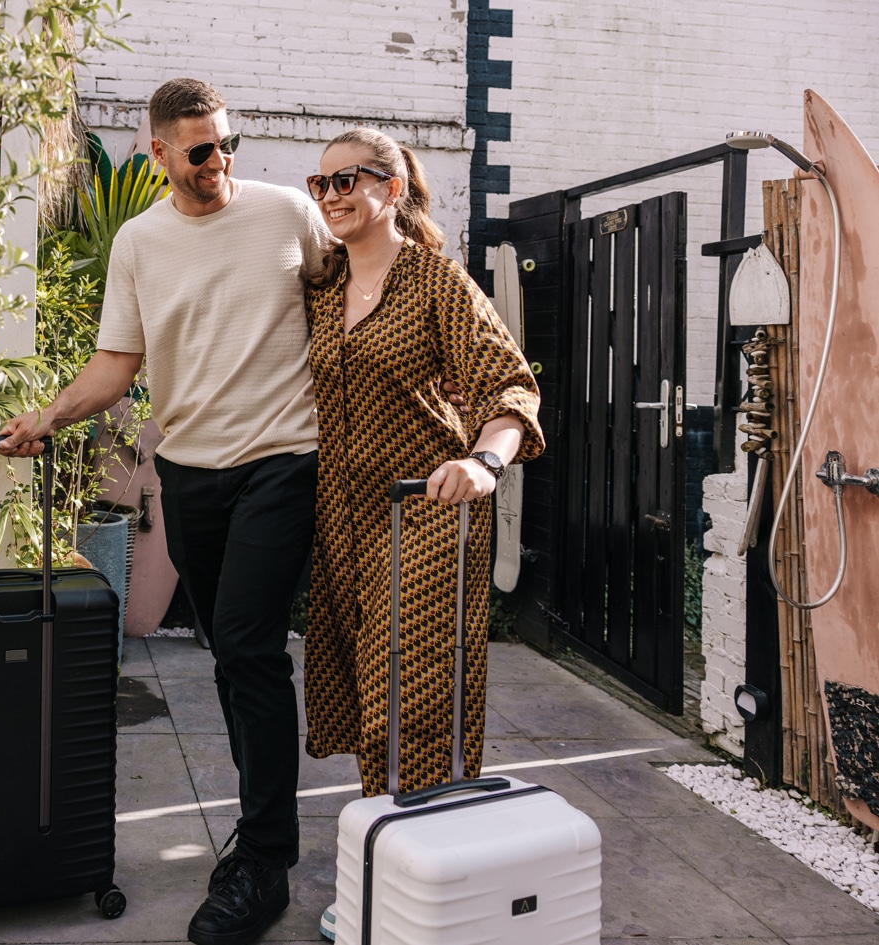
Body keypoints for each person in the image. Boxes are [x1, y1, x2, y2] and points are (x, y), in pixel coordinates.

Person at [0, 78, 332, 945]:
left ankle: (262, 860)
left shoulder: (288, 214)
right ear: (158, 154)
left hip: (282, 461)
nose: (218, 161)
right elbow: (116, 363)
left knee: (250, 645)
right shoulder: (140, 244)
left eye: (226, 144)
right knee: (228, 649)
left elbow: (355, 291)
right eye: (199, 150)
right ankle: (257, 836)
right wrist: (47, 416)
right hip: (188, 470)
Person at [298, 128, 543, 942]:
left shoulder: (436, 281)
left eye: (348, 180)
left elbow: (508, 384)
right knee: (372, 695)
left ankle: (419, 883)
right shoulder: (323, 287)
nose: (331, 195)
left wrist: (484, 461)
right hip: (345, 517)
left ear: (393, 188)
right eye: (321, 182)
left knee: (416, 693)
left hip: (424, 514)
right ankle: (398, 871)